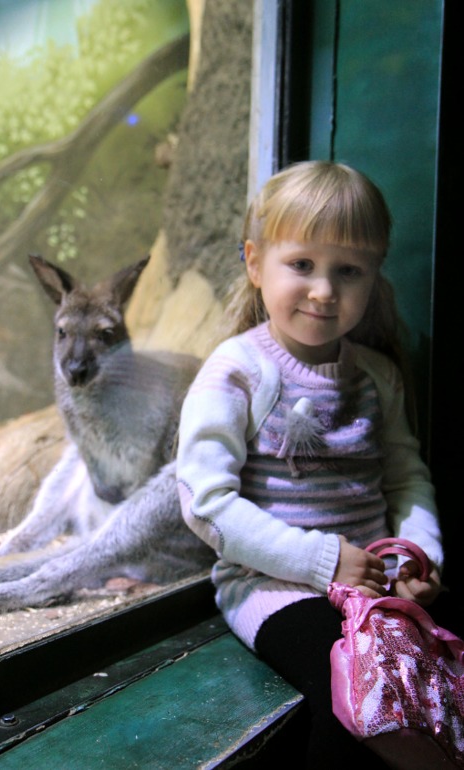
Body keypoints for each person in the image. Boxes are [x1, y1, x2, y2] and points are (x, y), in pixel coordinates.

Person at [176, 161, 458, 768]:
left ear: (374, 277)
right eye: (301, 264)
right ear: (255, 263)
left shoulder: (377, 377)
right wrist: (322, 561)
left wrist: (419, 555)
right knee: (350, 698)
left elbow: (406, 478)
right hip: (276, 585)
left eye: (348, 270)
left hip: (381, 584)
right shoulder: (236, 371)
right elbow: (205, 504)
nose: (324, 290)